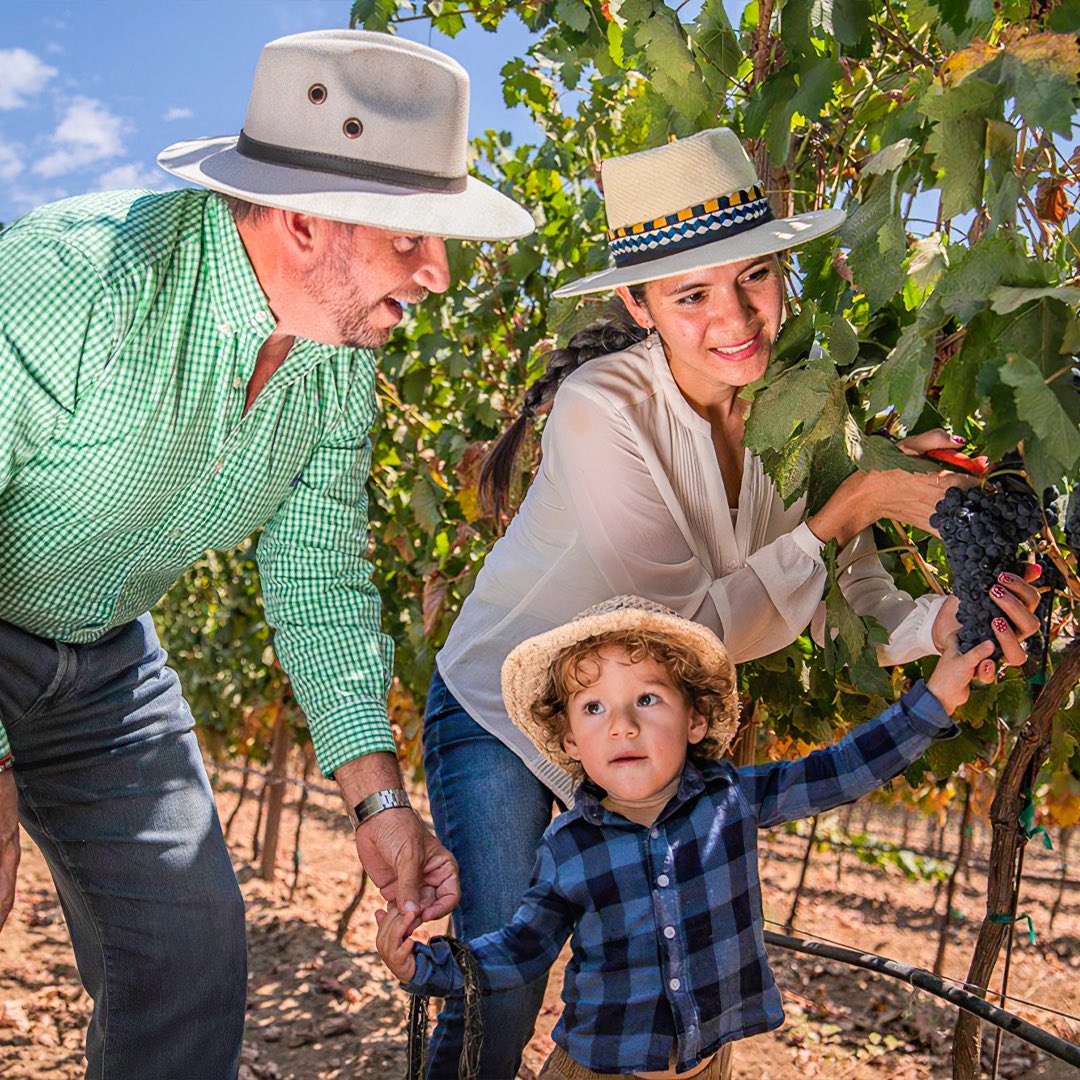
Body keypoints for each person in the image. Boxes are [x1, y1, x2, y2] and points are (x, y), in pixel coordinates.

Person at [421, 127, 1041, 1076]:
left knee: (649, 969)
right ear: (638, 302)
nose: (736, 316)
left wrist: (953, 626)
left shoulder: (805, 411)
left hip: (633, 720)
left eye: (755, 276)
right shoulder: (602, 408)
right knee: (505, 977)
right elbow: (677, 635)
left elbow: (859, 601)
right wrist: (850, 506)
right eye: (691, 294)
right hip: (504, 708)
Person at [0, 29, 532, 1078]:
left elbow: (320, 582)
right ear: (302, 219)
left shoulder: (335, 359)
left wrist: (379, 806)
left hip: (105, 661)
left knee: (190, 957)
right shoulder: (70, 280)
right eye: (414, 237)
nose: (439, 272)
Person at [380, 596, 995, 1078]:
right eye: (593, 708)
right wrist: (429, 967)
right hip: (594, 1072)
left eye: (647, 699)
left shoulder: (730, 800)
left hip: (707, 1066)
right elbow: (518, 951)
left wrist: (935, 697)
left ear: (696, 719)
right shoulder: (569, 848)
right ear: (569, 742)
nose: (622, 725)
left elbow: (836, 772)